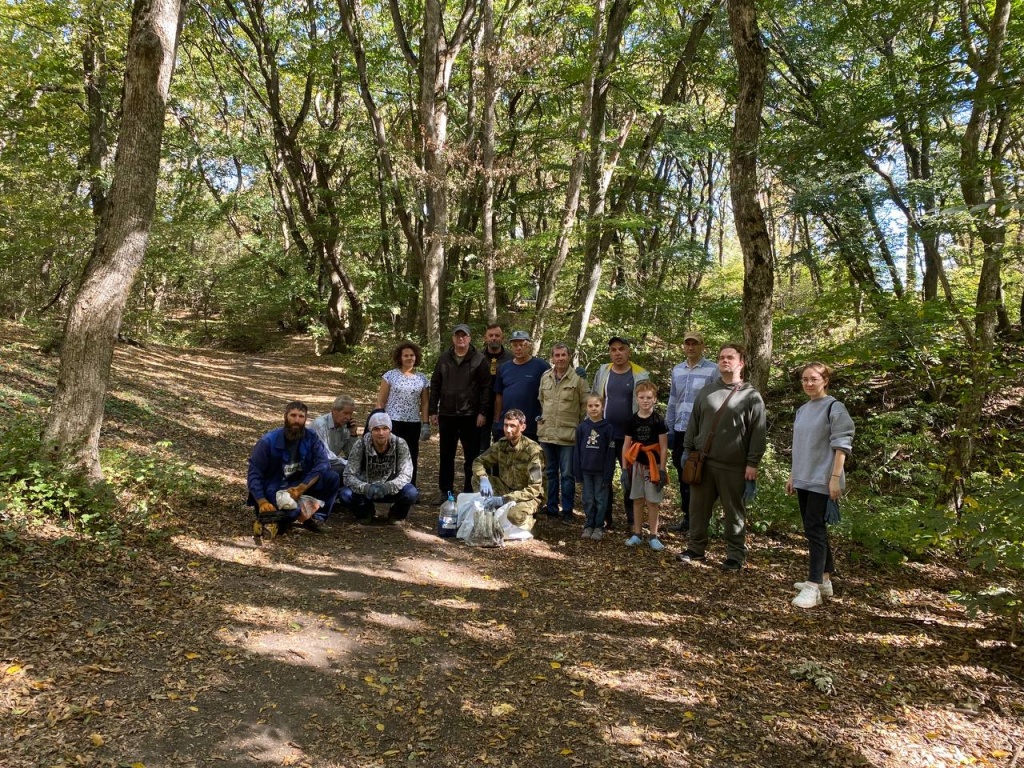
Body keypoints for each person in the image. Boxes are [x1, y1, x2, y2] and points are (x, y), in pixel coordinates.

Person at [677, 343, 766, 571]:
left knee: (734, 512)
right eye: (722, 357)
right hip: (703, 463)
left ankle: (735, 556)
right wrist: (687, 452)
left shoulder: (751, 396)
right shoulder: (707, 392)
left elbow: (758, 432)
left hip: (733, 466)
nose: (725, 360)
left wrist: (752, 463)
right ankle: (696, 549)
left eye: (730, 357)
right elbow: (693, 424)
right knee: (698, 509)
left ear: (741, 363)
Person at [787, 362, 855, 608]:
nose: (808, 383)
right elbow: (800, 445)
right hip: (804, 477)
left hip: (823, 480)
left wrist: (835, 479)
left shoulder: (835, 408)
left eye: (813, 379)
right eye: (804, 379)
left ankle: (813, 586)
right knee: (813, 528)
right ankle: (825, 580)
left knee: (814, 530)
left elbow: (842, 446)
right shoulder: (803, 410)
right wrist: (793, 475)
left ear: (825, 380)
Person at [247, 401, 341, 537]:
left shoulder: (311, 437)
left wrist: (302, 487)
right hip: (275, 487)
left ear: (305, 419)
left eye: (301, 416)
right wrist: (262, 501)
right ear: (285, 417)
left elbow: (323, 463)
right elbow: (254, 474)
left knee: (332, 477)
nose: (297, 420)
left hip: (300, 483)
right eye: (293, 415)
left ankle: (316, 518)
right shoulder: (267, 441)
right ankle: (272, 519)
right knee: (293, 512)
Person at [590, 336, 650, 529]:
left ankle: (633, 520)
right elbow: (595, 397)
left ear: (628, 351)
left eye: (621, 349)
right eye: (613, 349)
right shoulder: (603, 371)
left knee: (631, 478)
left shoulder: (640, 374)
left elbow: (646, 403)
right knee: (603, 477)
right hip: (605, 433)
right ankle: (605, 517)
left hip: (630, 437)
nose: (617, 353)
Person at [429, 324, 492, 503]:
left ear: (470, 338)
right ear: (453, 339)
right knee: (446, 455)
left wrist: (483, 412)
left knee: (471, 456)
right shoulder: (444, 359)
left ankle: (468, 491)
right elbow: (435, 385)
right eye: (457, 336)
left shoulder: (479, 360)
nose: (461, 339)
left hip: (471, 416)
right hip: (447, 414)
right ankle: (445, 492)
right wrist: (433, 410)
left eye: (464, 336)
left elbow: (486, 388)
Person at [665, 332, 720, 533]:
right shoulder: (677, 370)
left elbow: (718, 402)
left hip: (702, 433)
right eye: (687, 344)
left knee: (702, 476)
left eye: (694, 344)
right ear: (683, 346)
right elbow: (673, 400)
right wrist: (668, 427)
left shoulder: (713, 370)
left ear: (702, 346)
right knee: (683, 474)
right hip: (680, 429)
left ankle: (702, 521)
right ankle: (688, 518)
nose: (691, 347)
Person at [537, 343, 588, 524]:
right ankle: (551, 507)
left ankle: (567, 510)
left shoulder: (578, 379)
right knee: (550, 472)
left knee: (567, 474)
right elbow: (542, 401)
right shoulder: (546, 377)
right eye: (556, 355)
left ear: (569, 356)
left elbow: (585, 406)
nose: (560, 358)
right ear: (552, 357)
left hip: (568, 434)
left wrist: (578, 426)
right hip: (547, 432)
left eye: (563, 355)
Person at [471, 409, 545, 531]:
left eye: (513, 426)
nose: (508, 430)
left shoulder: (533, 451)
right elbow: (478, 462)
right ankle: (490, 511)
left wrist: (503, 499)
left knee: (514, 516)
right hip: (506, 488)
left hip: (528, 496)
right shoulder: (502, 444)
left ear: (523, 427)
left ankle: (531, 520)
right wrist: (483, 477)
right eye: (506, 425)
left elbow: (535, 489)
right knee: (476, 479)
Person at [342, 411, 419, 524]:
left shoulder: (400, 444)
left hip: (391, 488)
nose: (381, 433)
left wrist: (387, 487)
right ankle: (365, 511)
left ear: (390, 430)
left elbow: (406, 474)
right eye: (376, 429)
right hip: (366, 489)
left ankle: (397, 514)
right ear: (371, 430)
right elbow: (348, 475)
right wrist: (366, 487)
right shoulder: (361, 445)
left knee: (411, 493)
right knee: (345, 494)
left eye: (385, 428)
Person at [622, 380, 669, 550]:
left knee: (653, 501)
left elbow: (663, 446)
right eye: (642, 397)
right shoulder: (631, 420)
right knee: (637, 499)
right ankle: (637, 533)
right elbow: (626, 445)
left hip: (653, 465)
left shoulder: (659, 420)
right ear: (637, 399)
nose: (645, 400)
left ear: (655, 399)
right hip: (636, 465)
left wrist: (662, 469)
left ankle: (653, 536)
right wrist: (624, 468)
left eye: (649, 397)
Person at [377, 341, 430, 486]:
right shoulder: (390, 376)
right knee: (390, 453)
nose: (409, 358)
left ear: (416, 357)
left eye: (412, 355)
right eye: (405, 355)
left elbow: (425, 403)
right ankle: (388, 486)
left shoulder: (422, 379)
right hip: (392, 421)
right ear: (400, 357)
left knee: (411, 456)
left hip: (413, 423)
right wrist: (379, 421)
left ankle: (409, 486)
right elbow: (381, 401)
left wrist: (426, 424)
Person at [493, 330, 550, 441]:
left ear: (529, 346)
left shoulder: (541, 366)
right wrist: (496, 421)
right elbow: (499, 396)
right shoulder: (504, 368)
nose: (518, 348)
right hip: (507, 425)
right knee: (504, 457)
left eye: (521, 345)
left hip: (531, 426)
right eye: (515, 345)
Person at [575, 394, 617, 540]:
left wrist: (608, 474)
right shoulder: (582, 427)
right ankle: (589, 525)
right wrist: (577, 472)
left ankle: (599, 526)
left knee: (600, 499)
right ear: (586, 407)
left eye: (596, 406)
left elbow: (611, 454)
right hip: (586, 470)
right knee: (588, 499)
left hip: (601, 472)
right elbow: (577, 451)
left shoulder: (608, 428)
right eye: (590, 406)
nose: (593, 409)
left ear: (602, 406)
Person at [480, 324, 513, 451]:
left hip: (504, 406)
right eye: (491, 335)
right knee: (482, 446)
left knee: (502, 445)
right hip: (482, 406)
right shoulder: (478, 357)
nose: (494, 338)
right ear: (486, 338)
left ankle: (499, 471)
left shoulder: (511, 359)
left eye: (497, 335)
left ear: (502, 338)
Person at [310, 395, 358, 472]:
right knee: (343, 469)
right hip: (315, 463)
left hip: (330, 463)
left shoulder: (345, 427)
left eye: (350, 414)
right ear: (334, 411)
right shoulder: (320, 425)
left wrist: (353, 434)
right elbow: (325, 455)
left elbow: (352, 455)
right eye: (345, 413)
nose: (348, 418)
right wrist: (348, 464)